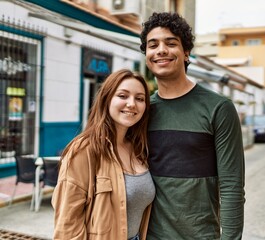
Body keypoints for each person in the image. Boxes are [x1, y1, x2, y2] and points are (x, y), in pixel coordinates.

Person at [140, 12, 245, 239]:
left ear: (186, 53)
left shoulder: (219, 108)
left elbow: (232, 187)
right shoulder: (142, 111)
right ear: (147, 55)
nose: (161, 50)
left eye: (171, 43)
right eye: (153, 45)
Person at [51, 69, 155, 240]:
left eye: (140, 98)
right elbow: (67, 225)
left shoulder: (138, 149)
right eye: (123, 96)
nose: (132, 104)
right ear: (106, 99)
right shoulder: (84, 150)